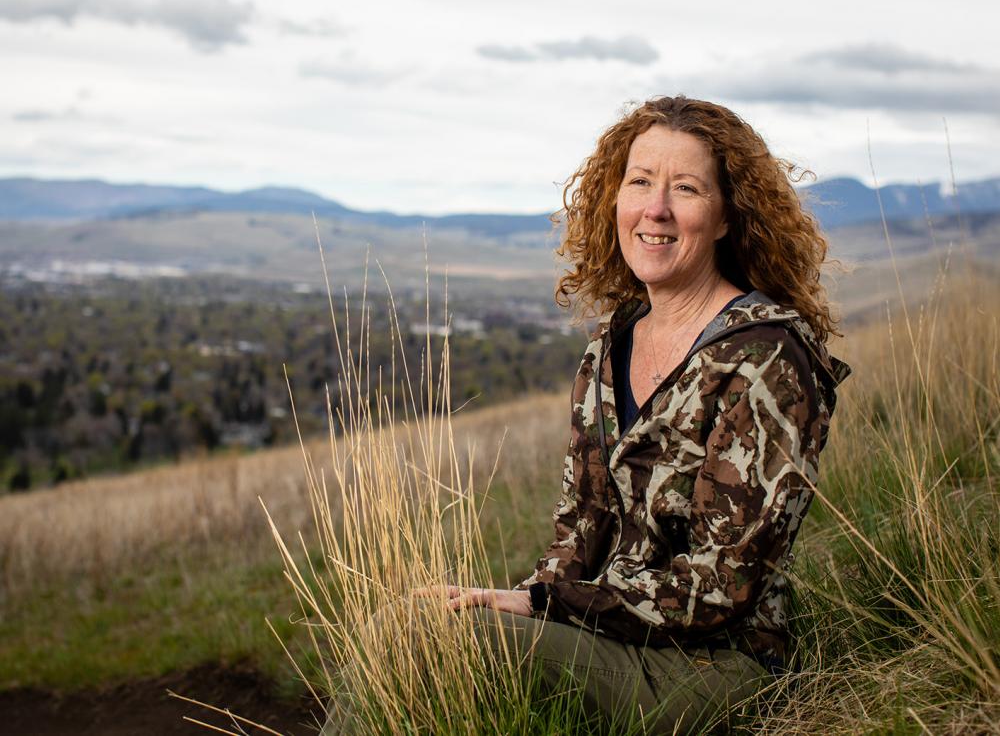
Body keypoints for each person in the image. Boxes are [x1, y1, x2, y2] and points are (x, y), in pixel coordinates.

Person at [323, 95, 850, 734]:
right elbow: (578, 531)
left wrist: (548, 603)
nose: (655, 209)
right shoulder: (614, 343)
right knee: (404, 622)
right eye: (640, 182)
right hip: (612, 636)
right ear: (615, 200)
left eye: (685, 188)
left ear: (725, 217)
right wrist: (528, 601)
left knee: (423, 643)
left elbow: (724, 585)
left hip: (713, 666)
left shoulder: (766, 359)